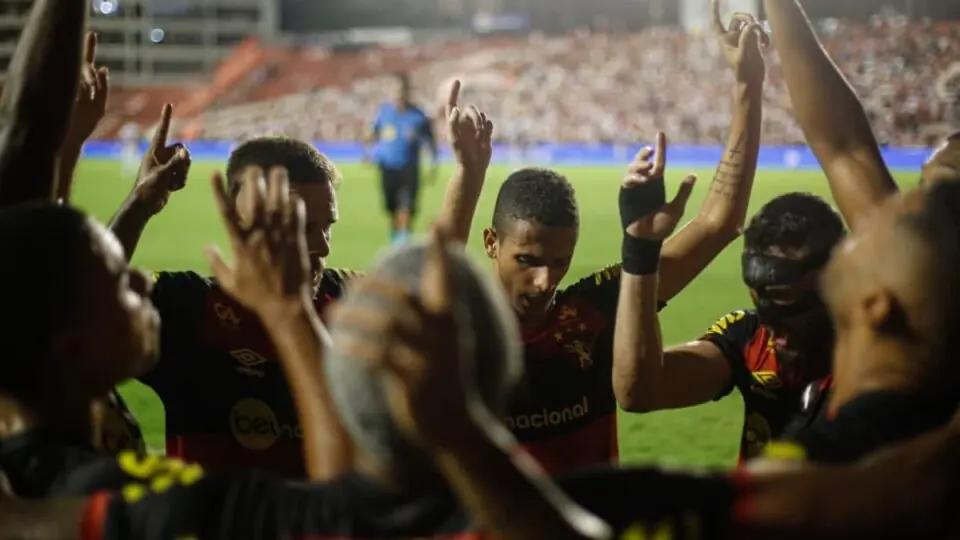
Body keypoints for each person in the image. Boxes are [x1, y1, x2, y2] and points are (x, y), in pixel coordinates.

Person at [438, 4, 767, 474]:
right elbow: (435, 279)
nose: (544, 281)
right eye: (527, 259)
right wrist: (469, 175)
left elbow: (719, 223)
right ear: (491, 243)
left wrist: (747, 87)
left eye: (559, 262)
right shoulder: (464, 326)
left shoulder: (594, 312)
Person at [108, 135, 351, 479]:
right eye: (302, 227)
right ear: (240, 223)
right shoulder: (190, 307)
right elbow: (78, 306)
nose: (323, 247)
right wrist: (139, 205)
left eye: (328, 227)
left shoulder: (347, 302)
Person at [774, 180, 960, 463]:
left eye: (866, 229)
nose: (852, 228)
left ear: (876, 305)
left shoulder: (834, 461)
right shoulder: (938, 429)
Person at [364, 72, 438, 245]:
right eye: (395, 89)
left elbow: (430, 141)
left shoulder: (418, 116)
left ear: (408, 91)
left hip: (409, 169)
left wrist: (433, 164)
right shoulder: (384, 112)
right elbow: (373, 134)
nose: (399, 93)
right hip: (387, 168)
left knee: (406, 208)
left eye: (402, 89)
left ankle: (403, 243)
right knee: (392, 210)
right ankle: (396, 242)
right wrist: (367, 153)